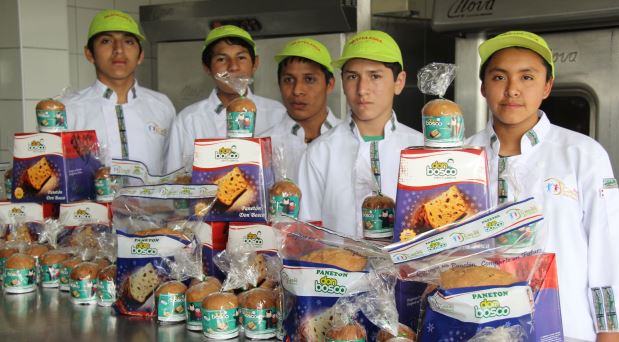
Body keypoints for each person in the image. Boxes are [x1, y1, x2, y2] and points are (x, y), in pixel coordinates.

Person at [467, 30, 619, 342]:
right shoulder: (463, 157)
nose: (512, 90)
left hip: (568, 329)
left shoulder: (583, 154)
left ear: (547, 86)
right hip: (475, 326)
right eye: (499, 77)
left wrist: (609, 331)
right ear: (483, 86)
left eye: (527, 77)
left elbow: (608, 251)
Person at [298, 30, 424, 237]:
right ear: (342, 82)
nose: (362, 89)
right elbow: (306, 233)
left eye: (375, 76)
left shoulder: (420, 150)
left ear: (399, 82)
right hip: (335, 269)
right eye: (352, 77)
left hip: (405, 269)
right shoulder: (320, 152)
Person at [64, 9, 175, 175]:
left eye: (129, 42)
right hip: (91, 202)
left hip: (154, 202)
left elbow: (173, 171)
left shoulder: (162, 106)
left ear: (140, 55)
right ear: (89, 54)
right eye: (106, 41)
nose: (119, 50)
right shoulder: (68, 110)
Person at [166, 25, 286, 172]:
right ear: (207, 67)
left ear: (255, 63)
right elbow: (174, 178)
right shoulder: (188, 120)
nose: (233, 67)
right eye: (222, 59)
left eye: (241, 58)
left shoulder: (277, 114)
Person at [260, 38, 339, 183]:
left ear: (330, 84)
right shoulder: (264, 147)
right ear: (279, 84)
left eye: (309, 79)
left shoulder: (351, 139)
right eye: (288, 80)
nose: (297, 90)